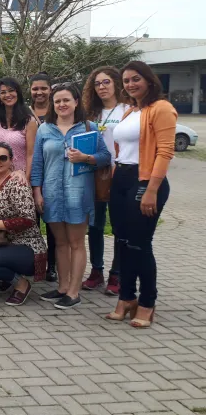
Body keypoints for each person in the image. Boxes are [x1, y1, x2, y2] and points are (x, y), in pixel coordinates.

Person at [106, 61, 176, 328]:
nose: (130, 84)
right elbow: (121, 149)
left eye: (136, 79)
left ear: (148, 80)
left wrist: (151, 189)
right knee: (122, 243)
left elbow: (165, 151)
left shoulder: (162, 109)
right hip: (121, 179)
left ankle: (147, 302)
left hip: (145, 181)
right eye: (125, 81)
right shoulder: (130, 111)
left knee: (139, 245)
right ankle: (126, 299)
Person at [31, 83, 111, 309]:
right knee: (61, 243)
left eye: (66, 100)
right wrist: (37, 191)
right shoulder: (44, 129)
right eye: (57, 101)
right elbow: (37, 164)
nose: (62, 104)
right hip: (52, 194)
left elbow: (105, 157)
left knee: (76, 243)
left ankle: (74, 291)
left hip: (79, 194)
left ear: (76, 102)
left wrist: (86, 157)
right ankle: (63, 287)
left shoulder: (88, 127)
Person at [0, 142, 48, 306]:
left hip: (26, 246)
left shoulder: (17, 183)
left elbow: (28, 219)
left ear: (11, 160)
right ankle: (7, 277)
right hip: (3, 241)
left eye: (3, 158)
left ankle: (21, 284)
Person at [81, 67, 129, 294]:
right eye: (97, 84)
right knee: (95, 226)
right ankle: (96, 271)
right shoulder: (91, 113)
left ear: (117, 83)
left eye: (106, 82)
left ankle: (117, 274)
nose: (102, 87)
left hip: (120, 173)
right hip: (95, 174)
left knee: (120, 226)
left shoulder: (128, 110)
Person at [27, 72, 57, 281]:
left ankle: (53, 265)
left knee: (54, 225)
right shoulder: (25, 113)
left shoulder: (58, 112)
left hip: (54, 176)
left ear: (50, 89)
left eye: (43, 88)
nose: (39, 92)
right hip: (31, 175)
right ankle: (35, 263)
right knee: (32, 225)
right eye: (35, 88)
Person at [0, 77, 38, 176]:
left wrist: (27, 180)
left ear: (18, 93)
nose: (7, 95)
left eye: (11, 90)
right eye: (3, 92)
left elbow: (31, 155)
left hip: (19, 178)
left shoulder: (29, 121)